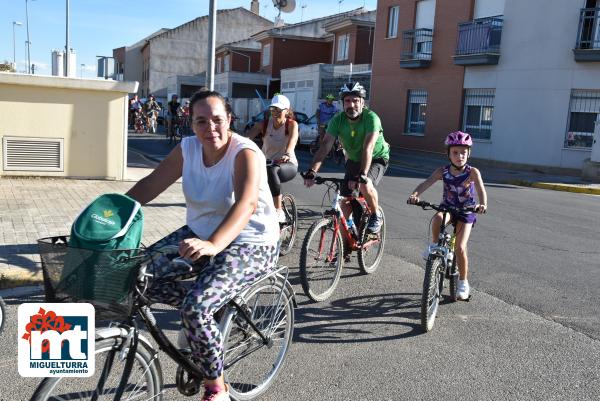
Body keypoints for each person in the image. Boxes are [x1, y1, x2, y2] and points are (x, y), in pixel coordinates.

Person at [126, 90, 279, 401]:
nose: (210, 128)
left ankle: (215, 388)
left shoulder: (245, 153)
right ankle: (211, 312)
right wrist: (109, 216)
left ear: (229, 120)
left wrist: (213, 244)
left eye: (217, 120)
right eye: (201, 121)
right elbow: (151, 184)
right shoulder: (188, 149)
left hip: (251, 241)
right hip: (201, 233)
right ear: (191, 124)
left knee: (196, 308)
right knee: (134, 278)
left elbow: (247, 204)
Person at [407, 131, 488, 301]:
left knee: (460, 247)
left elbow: (481, 189)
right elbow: (426, 182)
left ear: (469, 153)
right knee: (437, 217)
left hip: (467, 211)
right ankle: (435, 246)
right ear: (448, 154)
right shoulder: (442, 171)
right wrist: (415, 195)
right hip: (448, 208)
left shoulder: (472, 172)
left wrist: (482, 204)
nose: (460, 156)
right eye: (455, 152)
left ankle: (463, 282)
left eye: (463, 152)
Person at [304, 81, 390, 234]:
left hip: (376, 157)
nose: (352, 105)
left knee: (364, 184)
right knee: (345, 204)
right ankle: (344, 249)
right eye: (347, 101)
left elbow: (368, 147)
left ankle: (376, 215)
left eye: (356, 100)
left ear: (362, 102)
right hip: (354, 159)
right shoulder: (337, 120)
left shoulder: (371, 118)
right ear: (342, 104)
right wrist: (312, 171)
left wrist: (362, 175)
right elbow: (325, 146)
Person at [247, 94, 299, 223]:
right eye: (272, 109)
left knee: (272, 171)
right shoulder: (263, 125)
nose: (275, 113)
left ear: (287, 111)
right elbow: (246, 139)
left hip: (287, 165)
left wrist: (287, 153)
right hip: (266, 163)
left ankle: (278, 210)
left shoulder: (291, 124)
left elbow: (293, 140)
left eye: (279, 110)